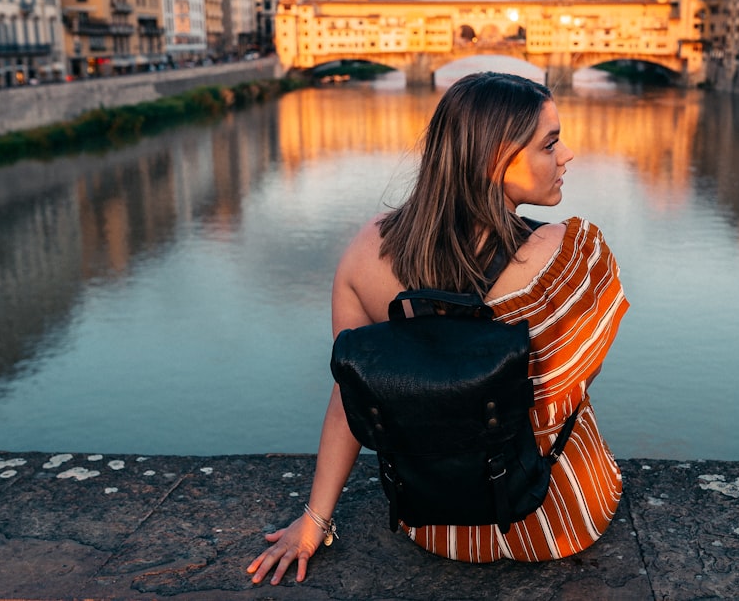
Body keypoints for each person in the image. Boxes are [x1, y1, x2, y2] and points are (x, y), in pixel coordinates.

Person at [247, 71, 628, 585]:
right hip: (556, 520)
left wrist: (315, 519)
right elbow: (567, 387)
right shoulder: (574, 258)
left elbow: (353, 391)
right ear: (496, 158)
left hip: (434, 525)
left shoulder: (366, 254)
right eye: (550, 144)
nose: (567, 156)